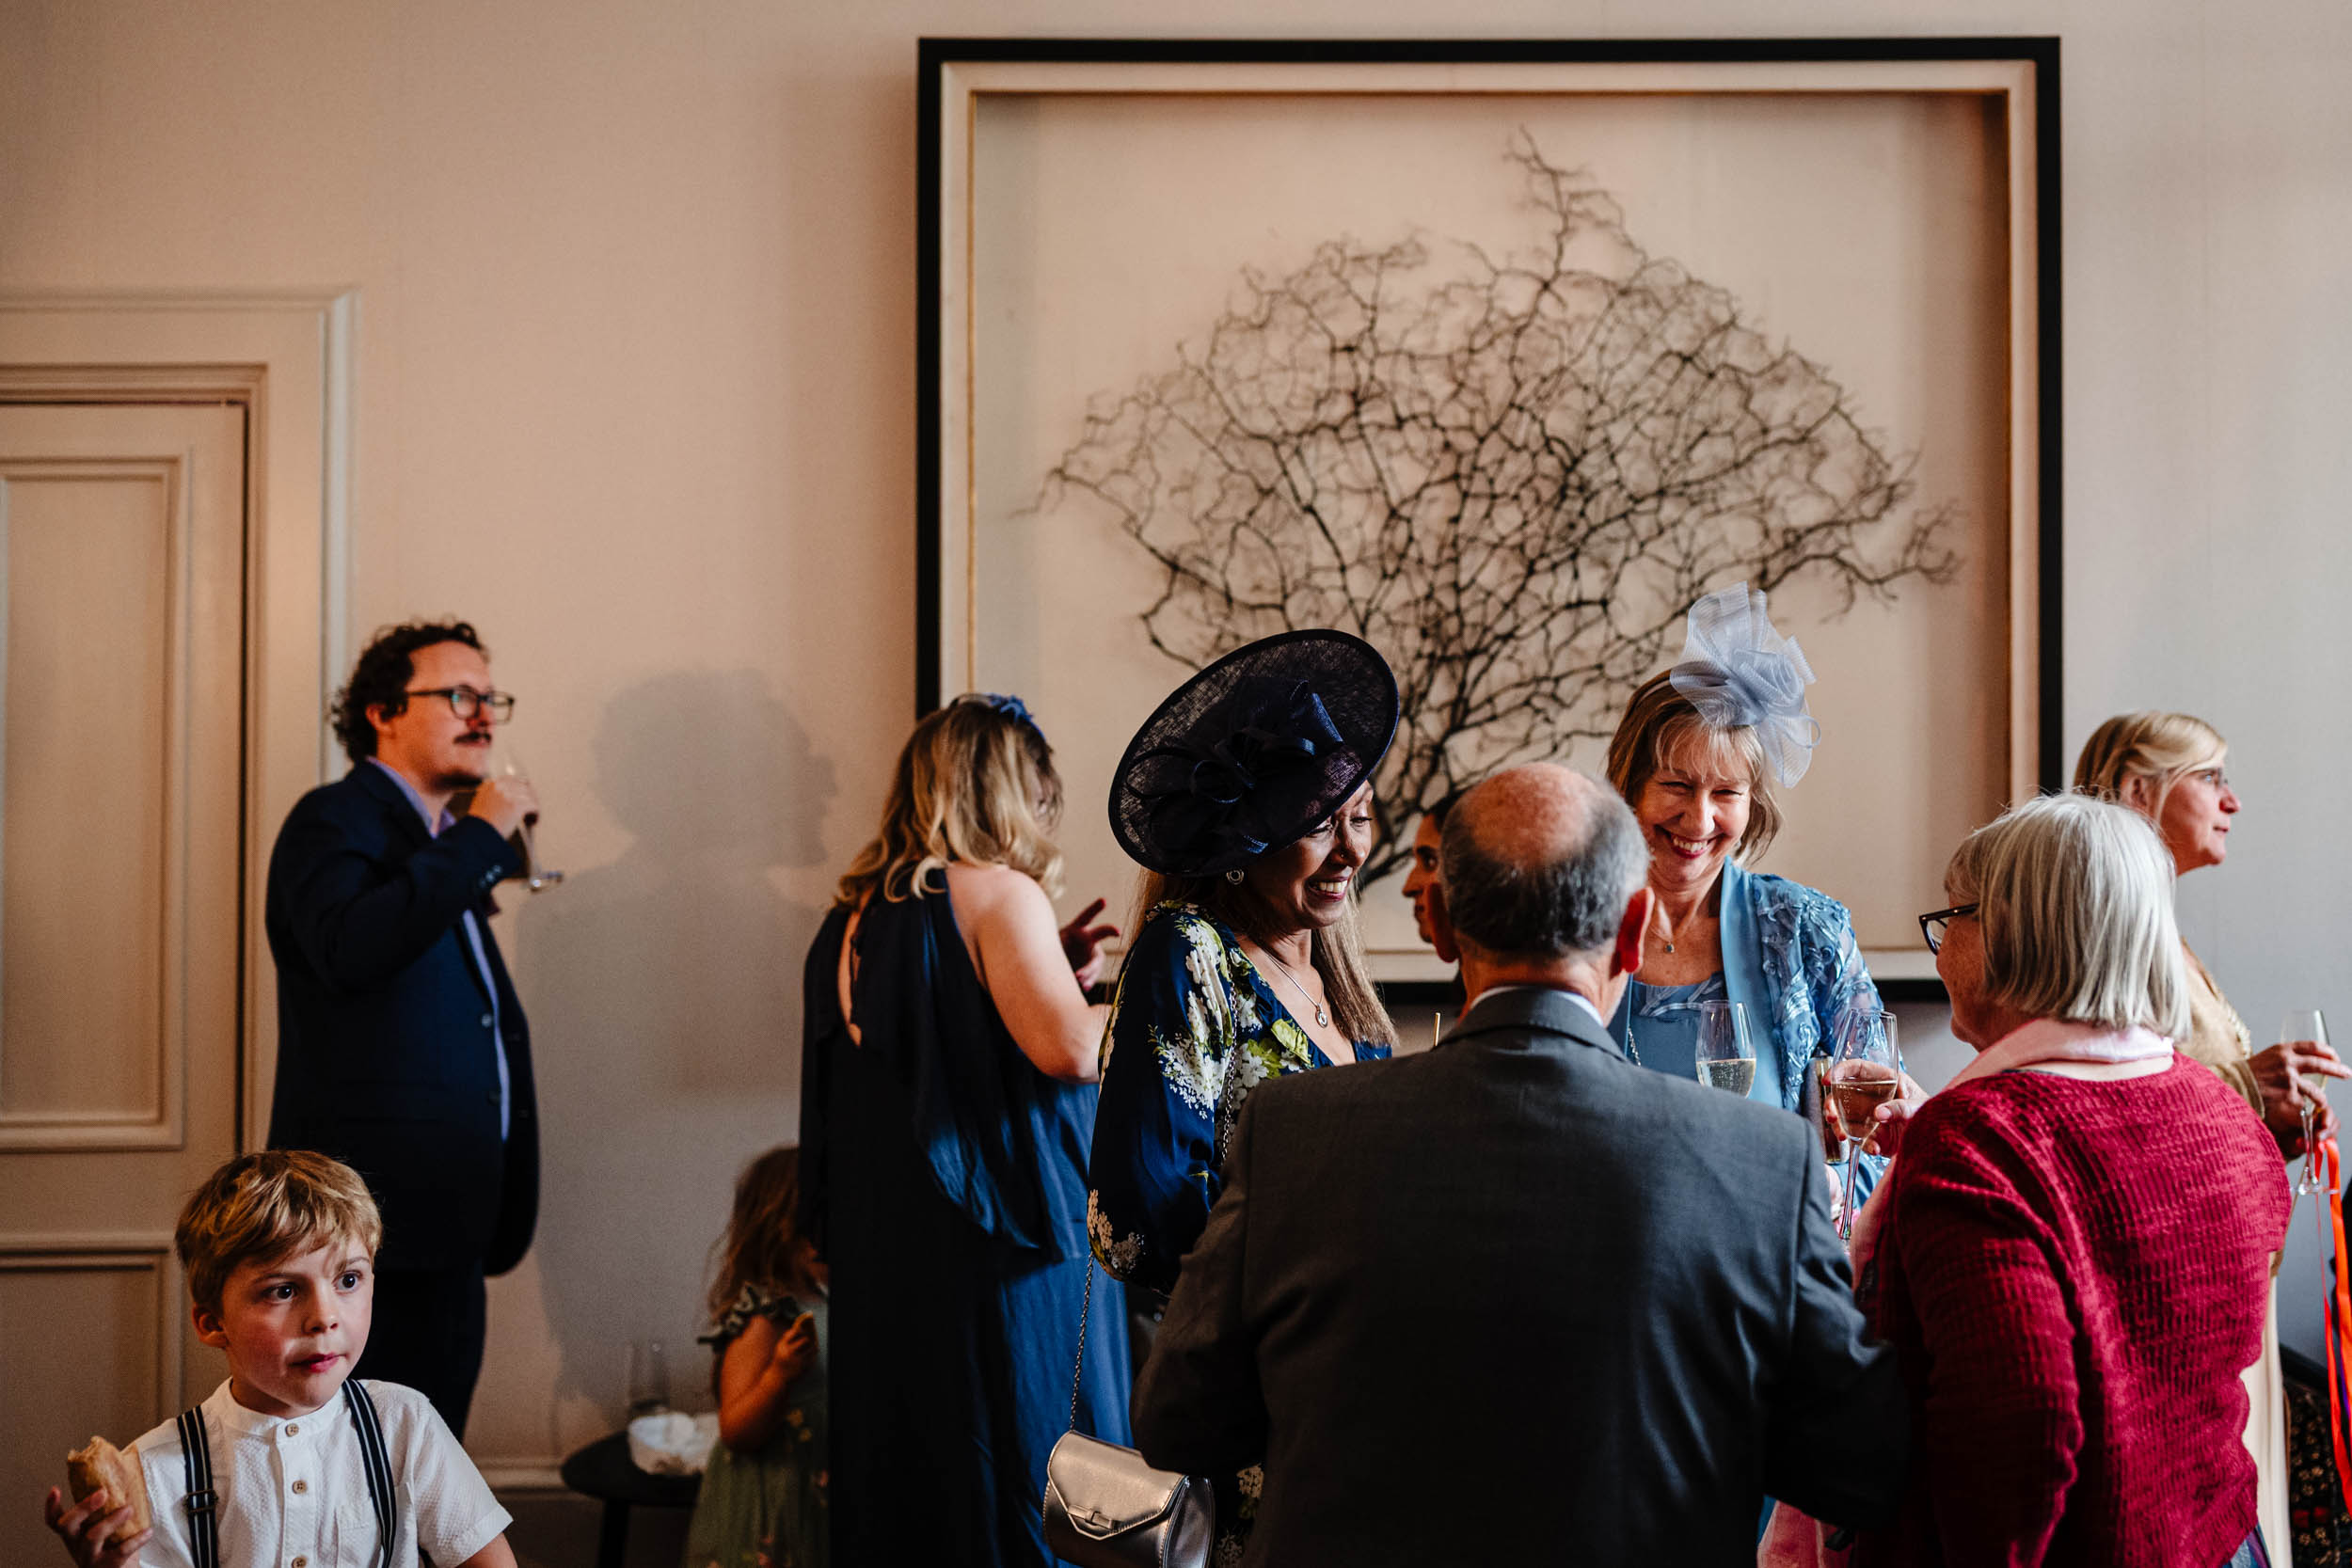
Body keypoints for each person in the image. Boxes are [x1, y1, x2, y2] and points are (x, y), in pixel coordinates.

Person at [1131, 764, 1906, 1564]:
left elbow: (1178, 1419)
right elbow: (1860, 1463)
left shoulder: (1296, 1133)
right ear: (1634, 931)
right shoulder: (1762, 1163)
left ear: (1443, 922)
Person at [1851, 796, 2287, 1568]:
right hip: (2218, 1542)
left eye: (1952, 917)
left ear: (2017, 935)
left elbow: (2020, 1418)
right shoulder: (2224, 1113)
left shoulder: (1979, 1138)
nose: (1942, 948)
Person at [1088, 629, 1402, 1560]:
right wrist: (1295, 1291)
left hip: (1355, 1385)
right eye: (1318, 822)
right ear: (1244, 839)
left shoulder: (1350, 998)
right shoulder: (1192, 954)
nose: (1349, 848)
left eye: (1362, 816)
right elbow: (1132, 1213)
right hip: (1260, 1393)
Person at [798, 693, 1127, 1568]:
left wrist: (1052, 967)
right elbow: (1068, 1049)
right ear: (1010, 791)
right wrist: (1151, 1000)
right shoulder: (997, 891)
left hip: (894, 1266)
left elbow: (928, 1042)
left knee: (921, 1491)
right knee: (1042, 1485)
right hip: (1005, 1267)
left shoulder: (851, 918)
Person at [2073, 710, 2346, 1558]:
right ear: (2136, 791)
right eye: (2210, 775)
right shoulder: (2102, 930)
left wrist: (2274, 1124)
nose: (2233, 799)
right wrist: (2243, 1086)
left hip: (2224, 1277)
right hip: (2172, 1298)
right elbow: (2101, 1099)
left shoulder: (2169, 930)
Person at [264, 618, 539, 1437]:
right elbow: (348, 948)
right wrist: (483, 836)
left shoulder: (437, 846)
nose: (483, 714)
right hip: (367, 1240)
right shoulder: (333, 820)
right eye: (460, 695)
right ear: (384, 709)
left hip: (444, 1231)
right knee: (362, 1488)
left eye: (491, 699)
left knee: (421, 1478)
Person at [43, 1150, 516, 1568]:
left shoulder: (404, 1425)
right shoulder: (157, 1469)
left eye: (348, 1280)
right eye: (283, 1291)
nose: (324, 1317)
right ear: (212, 1323)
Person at [1601, 584, 1883, 1122]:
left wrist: (1823, 1182)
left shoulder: (1809, 931)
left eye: (1726, 793)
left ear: (1753, 803)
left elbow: (1874, 1134)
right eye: (1677, 786)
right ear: (1630, 785)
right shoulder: (1577, 928)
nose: (1700, 820)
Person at [685, 1147, 828, 1568]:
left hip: (815, 1499)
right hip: (773, 1506)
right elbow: (736, 1430)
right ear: (787, 1231)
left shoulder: (825, 1303)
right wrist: (778, 1376)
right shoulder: (766, 1316)